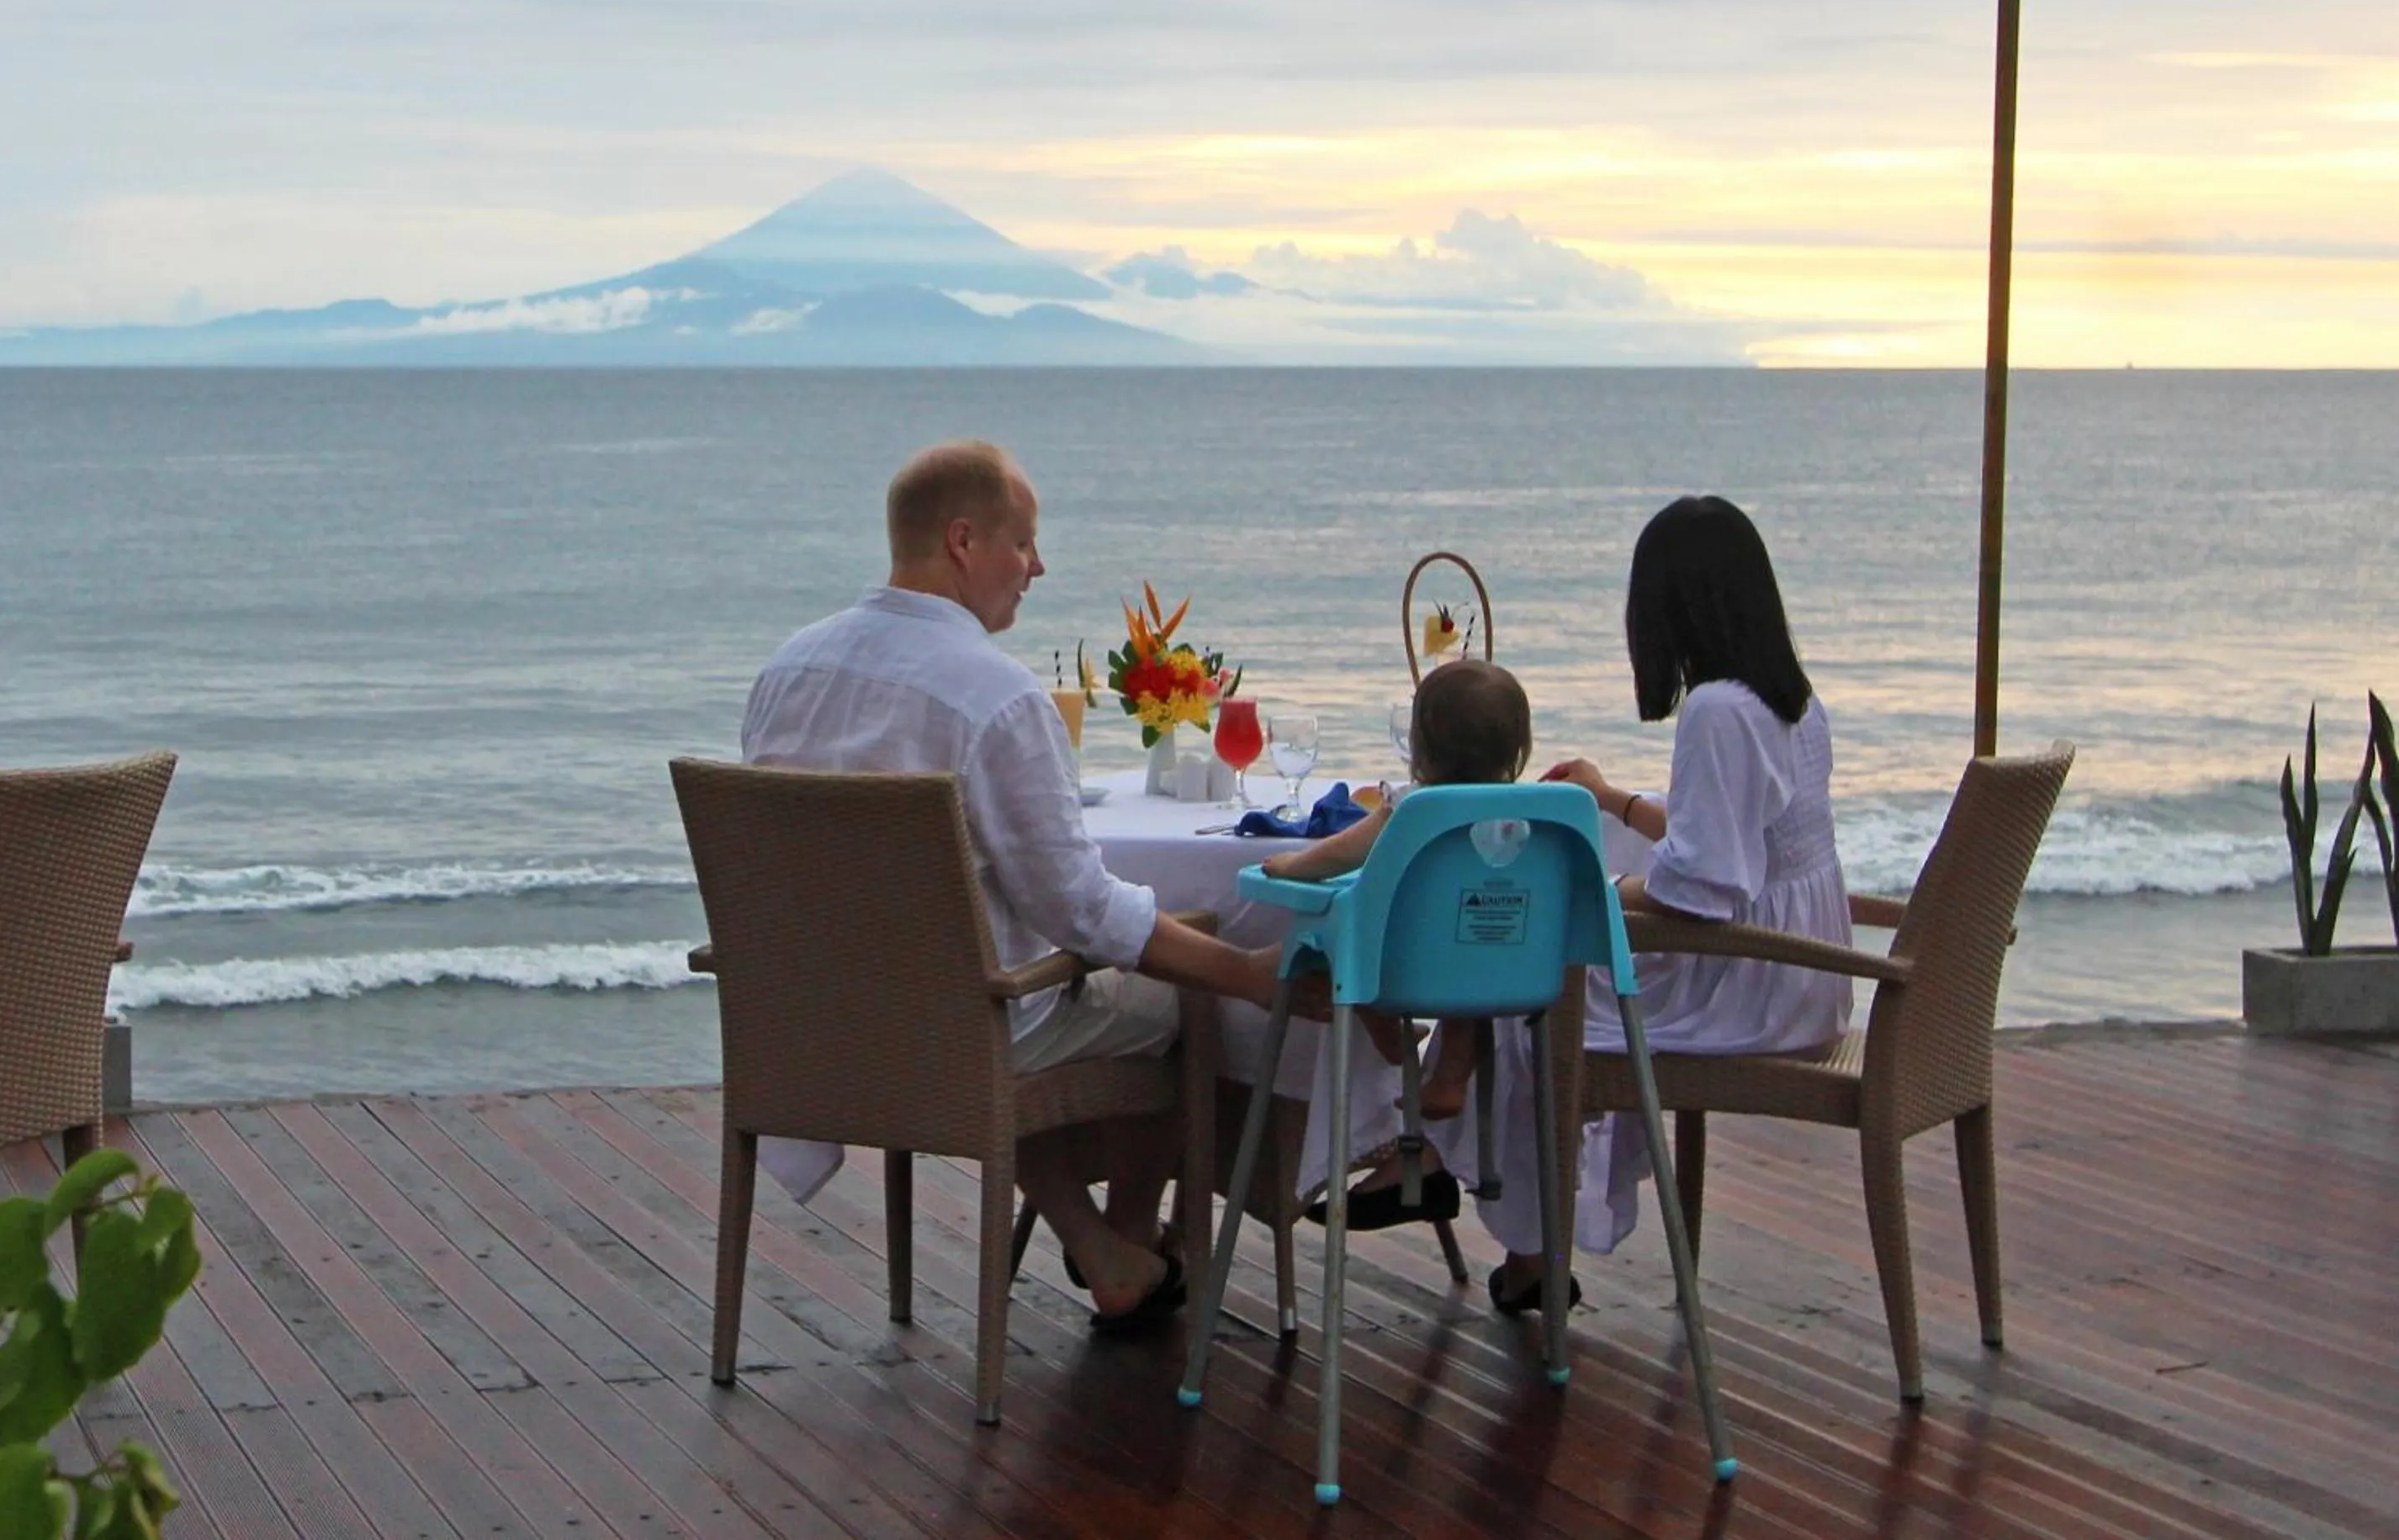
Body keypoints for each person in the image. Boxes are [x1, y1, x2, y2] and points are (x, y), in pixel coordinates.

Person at [740, 439, 1285, 1331]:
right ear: (963, 541)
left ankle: (1108, 1249)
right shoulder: (992, 694)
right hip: (958, 1027)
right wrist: (1245, 972)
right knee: (1173, 1002)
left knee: (1003, 973)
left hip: (814, 1024)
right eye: (1023, 543)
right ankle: (1128, 1232)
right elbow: (1083, 909)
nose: (1037, 566)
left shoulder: (786, 671)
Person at [1471, 493, 1853, 1312]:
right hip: (1809, 981)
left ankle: (1530, 1245)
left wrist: (1595, 897)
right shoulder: (1791, 699)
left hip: (1750, 988)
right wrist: (1611, 801)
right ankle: (1514, 1218)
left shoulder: (1715, 711)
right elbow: (1730, 839)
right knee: (1562, 934)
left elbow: (1703, 889)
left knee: (1528, 991)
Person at [1260, 658, 1536, 1143]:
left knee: (1335, 948)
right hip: (1503, 961)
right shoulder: (1531, 813)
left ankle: (1388, 1031)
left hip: (1406, 961)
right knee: (1468, 982)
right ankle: (1451, 1079)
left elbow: (1343, 853)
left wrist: (1291, 865)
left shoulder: (1411, 806)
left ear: (1422, 747)